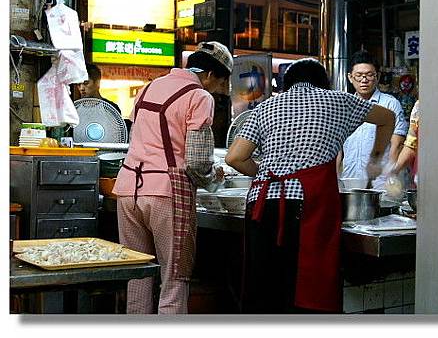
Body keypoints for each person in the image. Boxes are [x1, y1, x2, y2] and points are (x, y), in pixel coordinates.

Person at [225, 58, 395, 313]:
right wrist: (376, 157)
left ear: (287, 82)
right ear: (323, 83)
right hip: (308, 204)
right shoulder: (338, 100)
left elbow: (234, 157)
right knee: (306, 289)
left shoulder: (265, 107)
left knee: (265, 288)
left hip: (262, 204)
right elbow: (387, 117)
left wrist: (267, 173)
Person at [112, 41, 232, 314]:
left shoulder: (148, 87)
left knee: (137, 274)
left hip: (129, 188)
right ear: (211, 75)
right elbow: (198, 161)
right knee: (174, 279)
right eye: (220, 83)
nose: (217, 90)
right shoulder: (199, 96)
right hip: (167, 192)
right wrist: (214, 179)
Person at [337, 50, 408, 189]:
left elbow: (397, 143)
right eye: (359, 75)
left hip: (380, 185)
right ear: (350, 77)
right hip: (349, 182)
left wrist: (391, 175)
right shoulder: (344, 106)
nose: (364, 80)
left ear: (378, 76)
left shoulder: (390, 104)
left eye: (369, 75)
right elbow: (338, 149)